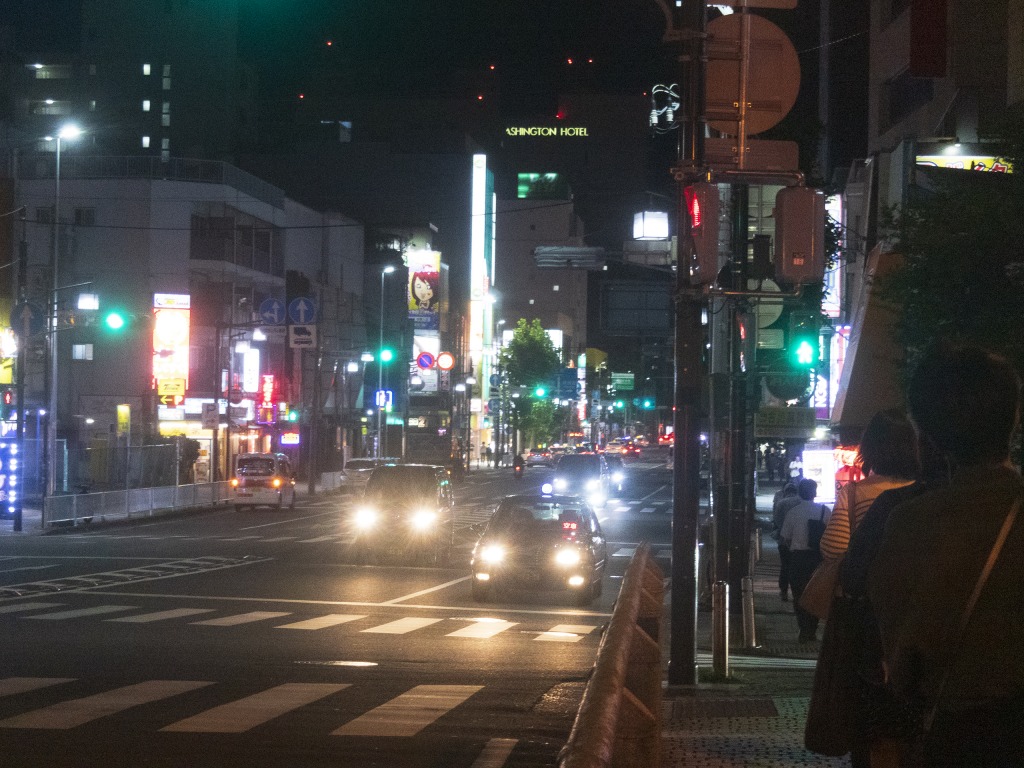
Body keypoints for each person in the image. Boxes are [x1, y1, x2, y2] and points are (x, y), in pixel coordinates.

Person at [869, 345, 1024, 766]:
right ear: (1013, 419)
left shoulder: (912, 524)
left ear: (927, 436)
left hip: (956, 736)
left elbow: (899, 659)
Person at [804, 409, 918, 766]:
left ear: (870, 448)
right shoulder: (926, 494)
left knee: (866, 703)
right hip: (914, 610)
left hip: (866, 616)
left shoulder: (856, 493)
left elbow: (834, 548)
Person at [780, 478, 831, 643]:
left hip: (798, 558)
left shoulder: (794, 512)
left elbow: (785, 538)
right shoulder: (825, 511)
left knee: (799, 594)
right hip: (818, 558)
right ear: (815, 493)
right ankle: (812, 629)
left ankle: (804, 629)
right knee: (815, 593)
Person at [772, 482, 801, 601]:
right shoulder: (801, 502)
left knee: (785, 565)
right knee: (797, 566)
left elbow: (776, 519)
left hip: (783, 539)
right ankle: (797, 592)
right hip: (799, 539)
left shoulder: (781, 503)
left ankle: (783, 591)